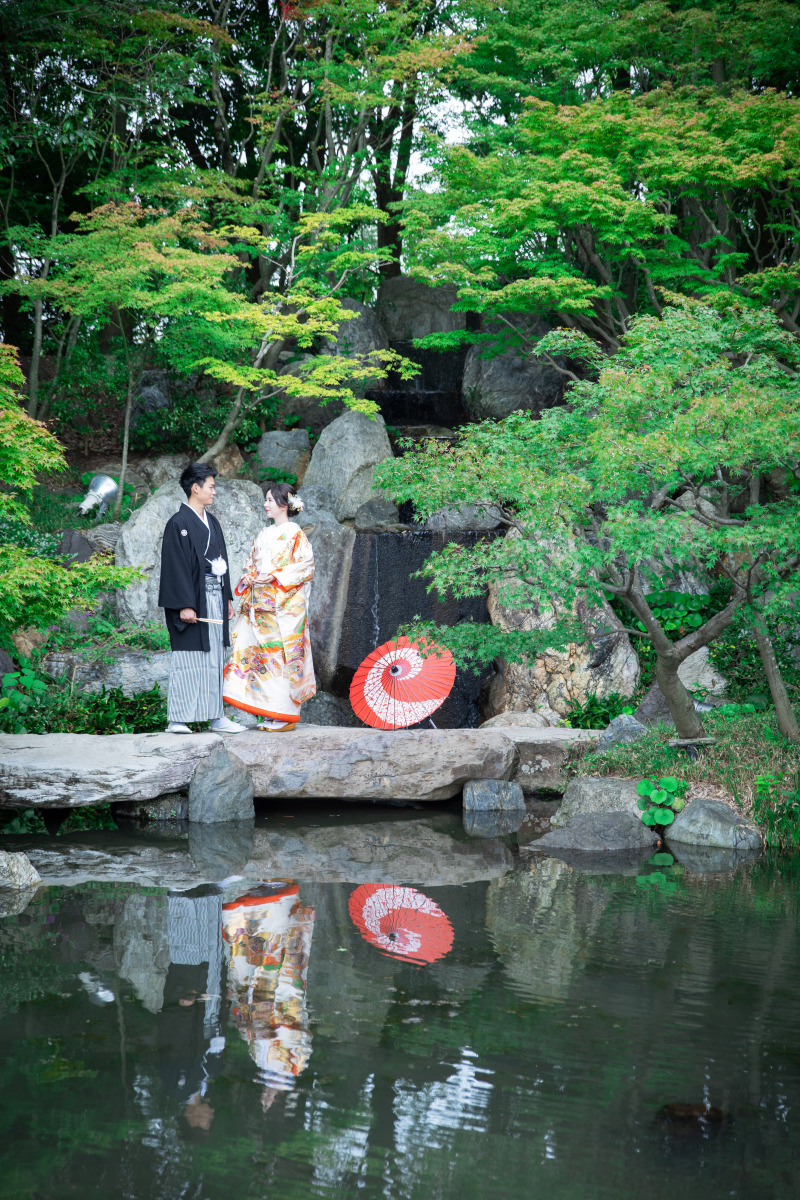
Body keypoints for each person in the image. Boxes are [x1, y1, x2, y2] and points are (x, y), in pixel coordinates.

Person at [158, 462, 246, 734]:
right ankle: (178, 719)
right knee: (189, 657)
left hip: (215, 596)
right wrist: (185, 604)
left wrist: (227, 597)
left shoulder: (213, 522)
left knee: (215, 656)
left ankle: (216, 716)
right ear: (195, 488)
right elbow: (175, 566)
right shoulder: (178, 523)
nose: (214, 492)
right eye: (211, 487)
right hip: (192, 598)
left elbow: (223, 560)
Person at [222, 482, 316, 731]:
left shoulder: (295, 533)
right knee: (263, 659)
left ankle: (285, 715)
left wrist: (273, 577)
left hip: (282, 607)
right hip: (260, 605)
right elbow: (250, 564)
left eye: (270, 501)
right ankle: (271, 712)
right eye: (266, 500)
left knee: (282, 658)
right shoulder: (264, 534)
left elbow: (305, 567)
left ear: (284, 504)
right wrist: (250, 577)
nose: (265, 505)